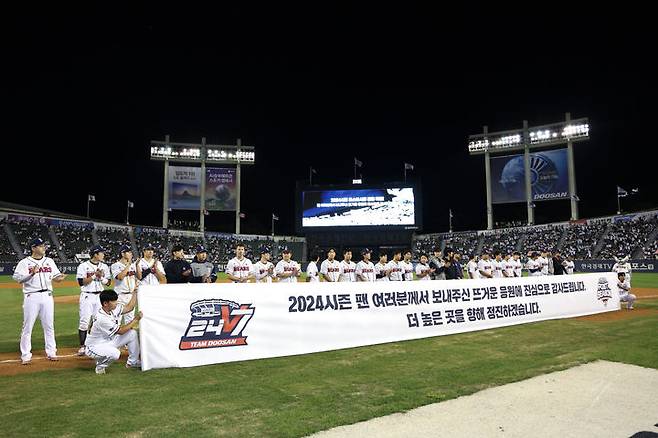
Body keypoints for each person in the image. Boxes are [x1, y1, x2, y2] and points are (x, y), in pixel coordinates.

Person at [12, 238, 66, 364]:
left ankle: (51, 352)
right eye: (41, 246)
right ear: (33, 248)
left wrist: (60, 278)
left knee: (49, 326)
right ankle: (25, 355)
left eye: (44, 246)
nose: (44, 248)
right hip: (32, 296)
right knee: (27, 326)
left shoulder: (50, 261)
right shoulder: (25, 262)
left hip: (47, 296)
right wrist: (31, 274)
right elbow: (18, 278)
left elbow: (56, 277)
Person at [85, 289, 142, 374]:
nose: (116, 302)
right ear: (105, 303)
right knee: (115, 354)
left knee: (132, 333)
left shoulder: (112, 308)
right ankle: (100, 367)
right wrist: (136, 319)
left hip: (108, 341)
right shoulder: (101, 318)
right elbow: (121, 331)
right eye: (114, 301)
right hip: (94, 347)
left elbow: (129, 308)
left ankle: (132, 362)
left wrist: (135, 293)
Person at [76, 245, 112, 356]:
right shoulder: (83, 266)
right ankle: (83, 346)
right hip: (87, 296)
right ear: (95, 254)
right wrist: (94, 276)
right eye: (101, 253)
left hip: (100, 297)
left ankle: (96, 343)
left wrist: (101, 277)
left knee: (98, 321)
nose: (103, 255)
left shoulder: (104, 266)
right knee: (84, 321)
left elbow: (108, 283)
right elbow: (81, 282)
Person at [110, 245, 138, 324]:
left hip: (130, 296)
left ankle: (129, 336)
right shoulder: (115, 265)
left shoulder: (133, 265)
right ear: (123, 254)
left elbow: (137, 277)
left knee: (130, 320)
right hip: (120, 297)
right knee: (117, 320)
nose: (131, 253)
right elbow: (120, 277)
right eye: (128, 252)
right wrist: (128, 264)